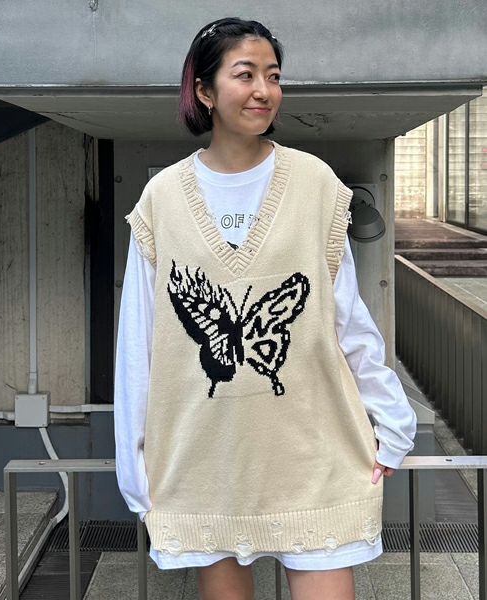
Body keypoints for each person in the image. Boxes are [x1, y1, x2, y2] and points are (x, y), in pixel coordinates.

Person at [114, 17, 417, 600]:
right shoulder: (162, 198)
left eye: (273, 76)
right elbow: (139, 342)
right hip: (204, 460)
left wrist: (393, 423)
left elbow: (348, 320)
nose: (263, 90)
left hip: (314, 450)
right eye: (245, 74)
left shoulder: (315, 183)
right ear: (204, 90)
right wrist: (135, 463)